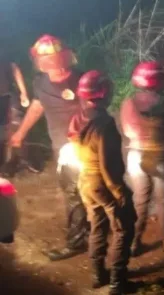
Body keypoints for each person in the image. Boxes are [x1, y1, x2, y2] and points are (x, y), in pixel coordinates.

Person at [10, 34, 89, 261]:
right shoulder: (40, 82)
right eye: (47, 60)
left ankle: (77, 242)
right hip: (61, 147)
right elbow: (38, 106)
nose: (52, 65)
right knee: (74, 192)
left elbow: (95, 109)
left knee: (80, 193)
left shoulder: (82, 79)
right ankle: (88, 229)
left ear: (65, 57)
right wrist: (20, 133)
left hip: (84, 146)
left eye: (55, 59)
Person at [69, 70, 135, 293]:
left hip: (85, 180)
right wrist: (119, 192)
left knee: (97, 226)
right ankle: (118, 282)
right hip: (102, 182)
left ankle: (98, 275)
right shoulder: (105, 124)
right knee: (123, 227)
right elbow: (108, 165)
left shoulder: (78, 117)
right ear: (104, 94)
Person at [120, 60, 164, 257]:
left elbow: (126, 130)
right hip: (161, 156)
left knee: (139, 201)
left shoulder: (128, 103)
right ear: (159, 81)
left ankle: (134, 243)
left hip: (136, 156)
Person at [0, 56, 31, 176]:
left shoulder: (3, 53)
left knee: (16, 126)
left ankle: (18, 160)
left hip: (7, 95)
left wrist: (23, 92)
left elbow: (15, 69)